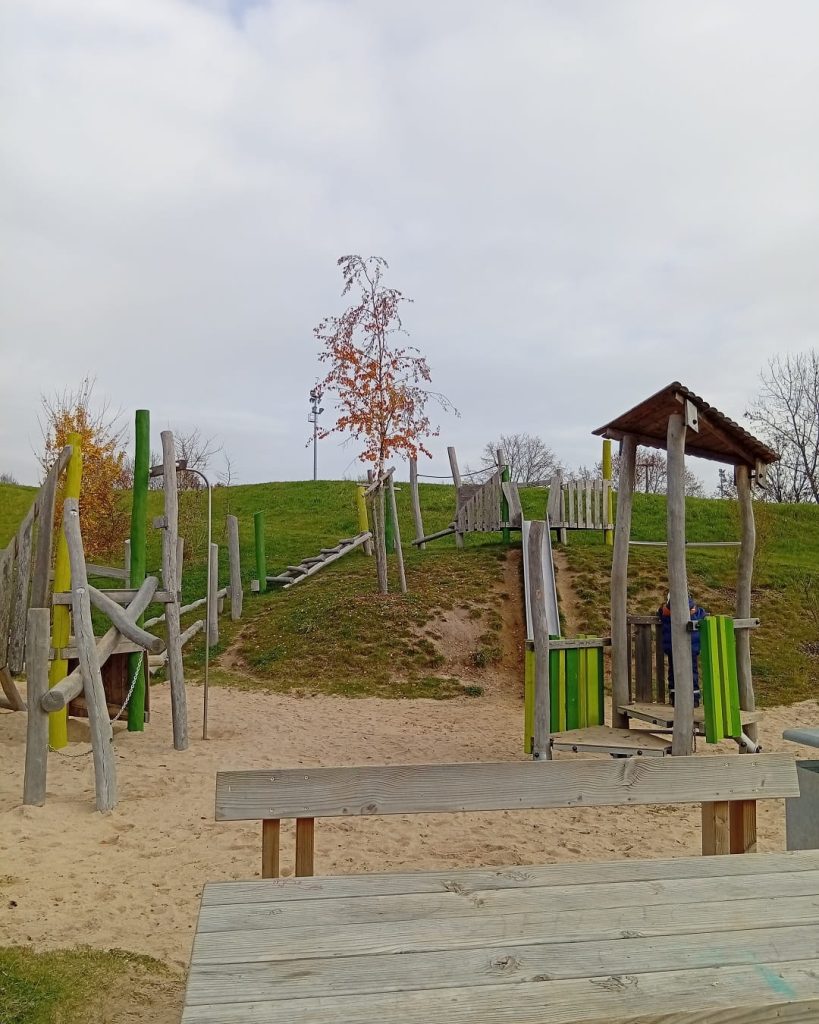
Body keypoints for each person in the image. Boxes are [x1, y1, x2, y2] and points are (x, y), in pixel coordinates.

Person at [658, 592, 707, 707]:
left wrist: (663, 608)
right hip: (691, 649)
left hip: (673, 649)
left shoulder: (665, 613)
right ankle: (694, 698)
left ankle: (675, 697)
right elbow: (702, 614)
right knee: (692, 673)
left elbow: (659, 612)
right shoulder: (695, 612)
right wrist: (697, 609)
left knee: (673, 673)